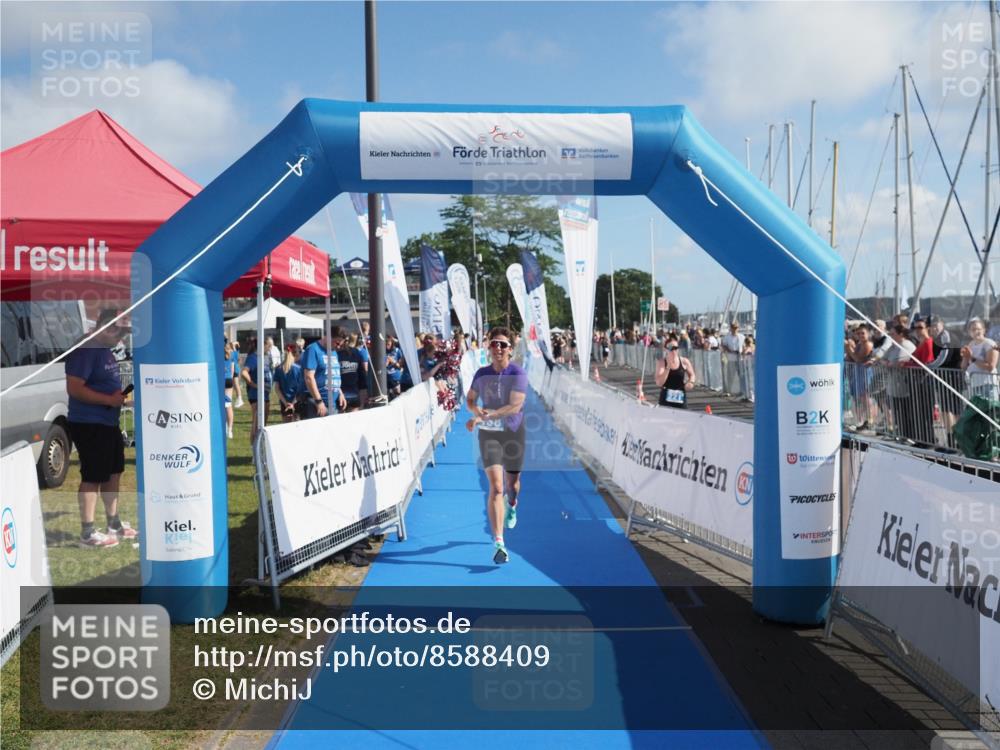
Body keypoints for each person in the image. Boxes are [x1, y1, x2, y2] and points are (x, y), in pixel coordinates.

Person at [65, 309, 138, 548]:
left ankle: (113, 524)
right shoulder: (87, 349)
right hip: (89, 423)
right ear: (106, 327)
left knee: (114, 472)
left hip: (107, 422)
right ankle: (87, 533)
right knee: (93, 475)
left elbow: (101, 384)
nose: (122, 338)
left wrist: (118, 399)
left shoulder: (104, 350)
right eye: (120, 332)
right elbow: (75, 388)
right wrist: (108, 400)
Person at [465, 328, 527, 565]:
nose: (498, 348)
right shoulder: (482, 373)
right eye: (494, 344)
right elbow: (470, 399)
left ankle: (512, 505)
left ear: (510, 349)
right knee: (497, 487)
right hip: (489, 434)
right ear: (488, 348)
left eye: (502, 344)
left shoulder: (517, 373)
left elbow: (515, 406)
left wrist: (485, 416)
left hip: (513, 432)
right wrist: (476, 410)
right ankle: (499, 543)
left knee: (512, 485)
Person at [301, 330, 347, 418]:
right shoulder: (313, 349)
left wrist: (340, 393)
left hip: (332, 404)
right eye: (337, 343)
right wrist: (318, 401)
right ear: (328, 337)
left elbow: (334, 374)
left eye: (341, 345)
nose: (338, 347)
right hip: (315, 404)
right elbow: (309, 377)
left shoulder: (333, 352)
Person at [241, 337, 272, 443]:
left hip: (265, 394)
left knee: (263, 423)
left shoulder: (264, 357)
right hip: (256, 395)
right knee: (257, 422)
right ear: (263, 345)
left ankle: (260, 447)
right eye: (269, 346)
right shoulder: (253, 358)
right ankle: (254, 447)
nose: (270, 348)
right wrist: (254, 385)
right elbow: (244, 373)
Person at [961, 319, 999, 401]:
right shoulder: (970, 344)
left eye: (978, 329)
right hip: (974, 384)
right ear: (969, 332)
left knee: (990, 409)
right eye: (973, 330)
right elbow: (963, 366)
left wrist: (971, 358)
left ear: (984, 330)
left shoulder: (990, 344)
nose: (976, 332)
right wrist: (965, 357)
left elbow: (990, 367)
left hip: (988, 385)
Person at [654, 333, 696, 408]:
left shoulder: (684, 361)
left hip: (680, 397)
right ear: (665, 349)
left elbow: (692, 374)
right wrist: (668, 367)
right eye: (671, 348)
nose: (674, 351)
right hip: (665, 398)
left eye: (676, 348)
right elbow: (659, 383)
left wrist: (691, 382)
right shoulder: (661, 363)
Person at [274, 344, 306, 422]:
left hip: (284, 402)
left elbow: (277, 388)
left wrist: (285, 403)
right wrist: (292, 403)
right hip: (297, 401)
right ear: (296, 355)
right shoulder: (299, 369)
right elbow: (301, 389)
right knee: (297, 425)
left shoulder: (278, 369)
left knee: (286, 425)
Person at [339, 331, 368, 411]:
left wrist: (363, 392)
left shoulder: (356, 353)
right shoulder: (337, 353)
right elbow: (363, 374)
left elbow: (362, 374)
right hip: (343, 394)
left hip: (352, 394)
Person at [222, 340, 236, 439]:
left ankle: (225, 427)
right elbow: (232, 370)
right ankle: (230, 429)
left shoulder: (218, 353)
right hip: (229, 380)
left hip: (221, 380)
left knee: (221, 405)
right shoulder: (232, 354)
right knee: (228, 405)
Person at [385, 335, 404, 400]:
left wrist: (393, 361)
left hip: (395, 377)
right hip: (386, 378)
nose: (387, 346)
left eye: (388, 344)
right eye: (385, 344)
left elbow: (400, 366)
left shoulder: (397, 351)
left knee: (397, 396)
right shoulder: (382, 351)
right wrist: (386, 363)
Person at [229, 339, 244, 409]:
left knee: (236, 384)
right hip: (234, 369)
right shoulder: (234, 352)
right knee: (233, 385)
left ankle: (240, 399)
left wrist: (236, 343)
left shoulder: (235, 352)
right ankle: (235, 399)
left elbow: (232, 343)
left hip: (235, 369)